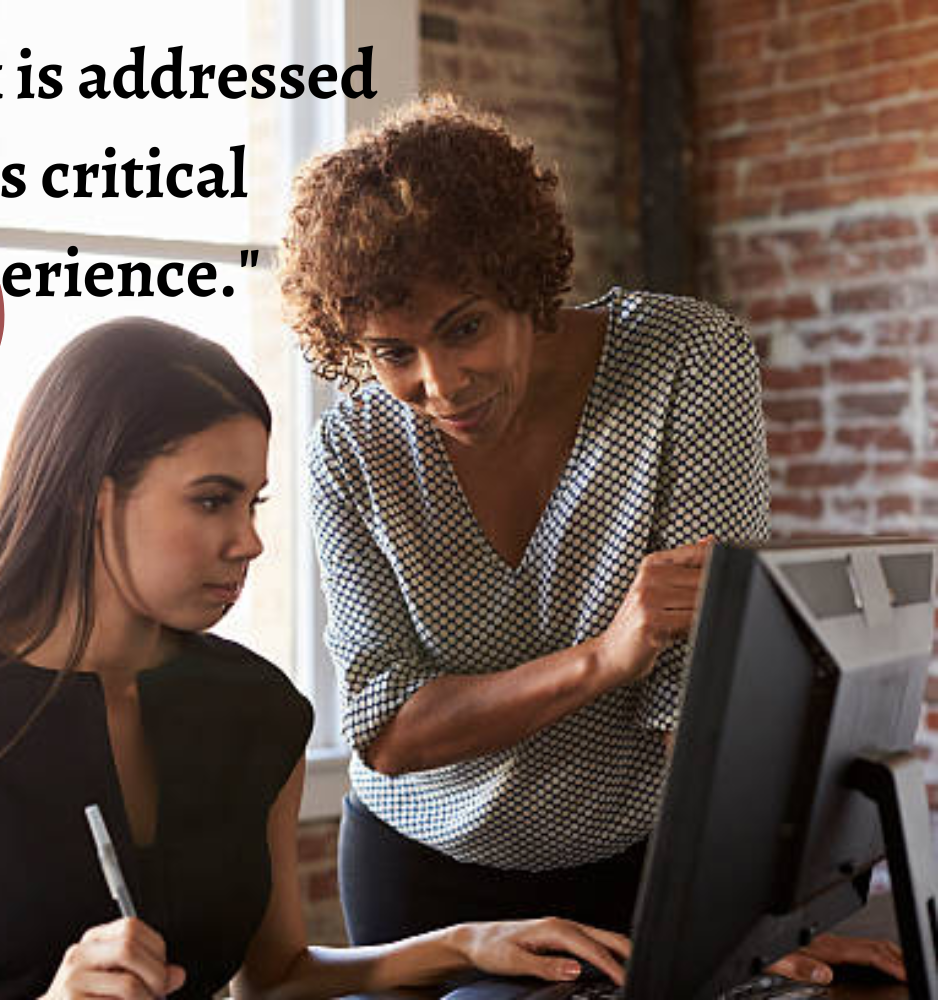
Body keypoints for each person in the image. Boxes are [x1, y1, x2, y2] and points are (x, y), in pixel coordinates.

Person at [0, 318, 636, 1000]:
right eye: (212, 500)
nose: (248, 541)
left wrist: (466, 944)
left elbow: (274, 978)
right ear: (87, 495)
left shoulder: (257, 710)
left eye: (252, 502)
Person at [279, 94, 904, 985]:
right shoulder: (351, 449)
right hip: (423, 875)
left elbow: (698, 688)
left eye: (465, 328)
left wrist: (764, 921)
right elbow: (385, 725)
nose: (439, 383)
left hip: (643, 865)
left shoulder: (686, 359)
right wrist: (606, 656)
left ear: (527, 284)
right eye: (391, 352)